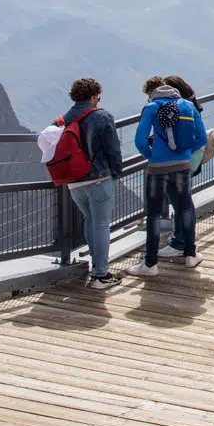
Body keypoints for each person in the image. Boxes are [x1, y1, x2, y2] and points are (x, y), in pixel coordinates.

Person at [129, 76, 207, 277]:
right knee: (185, 206)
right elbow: (201, 138)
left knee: (154, 213)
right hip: (182, 165)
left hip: (158, 168)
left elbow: (139, 140)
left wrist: (152, 155)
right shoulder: (188, 106)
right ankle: (191, 254)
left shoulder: (151, 108)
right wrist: (184, 154)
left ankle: (150, 264)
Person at [58, 78, 123, 289]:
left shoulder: (64, 119)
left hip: (74, 181)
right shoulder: (102, 116)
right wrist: (116, 171)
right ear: (94, 96)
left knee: (90, 220)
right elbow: (113, 149)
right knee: (102, 224)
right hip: (99, 178)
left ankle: (96, 268)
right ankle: (101, 274)